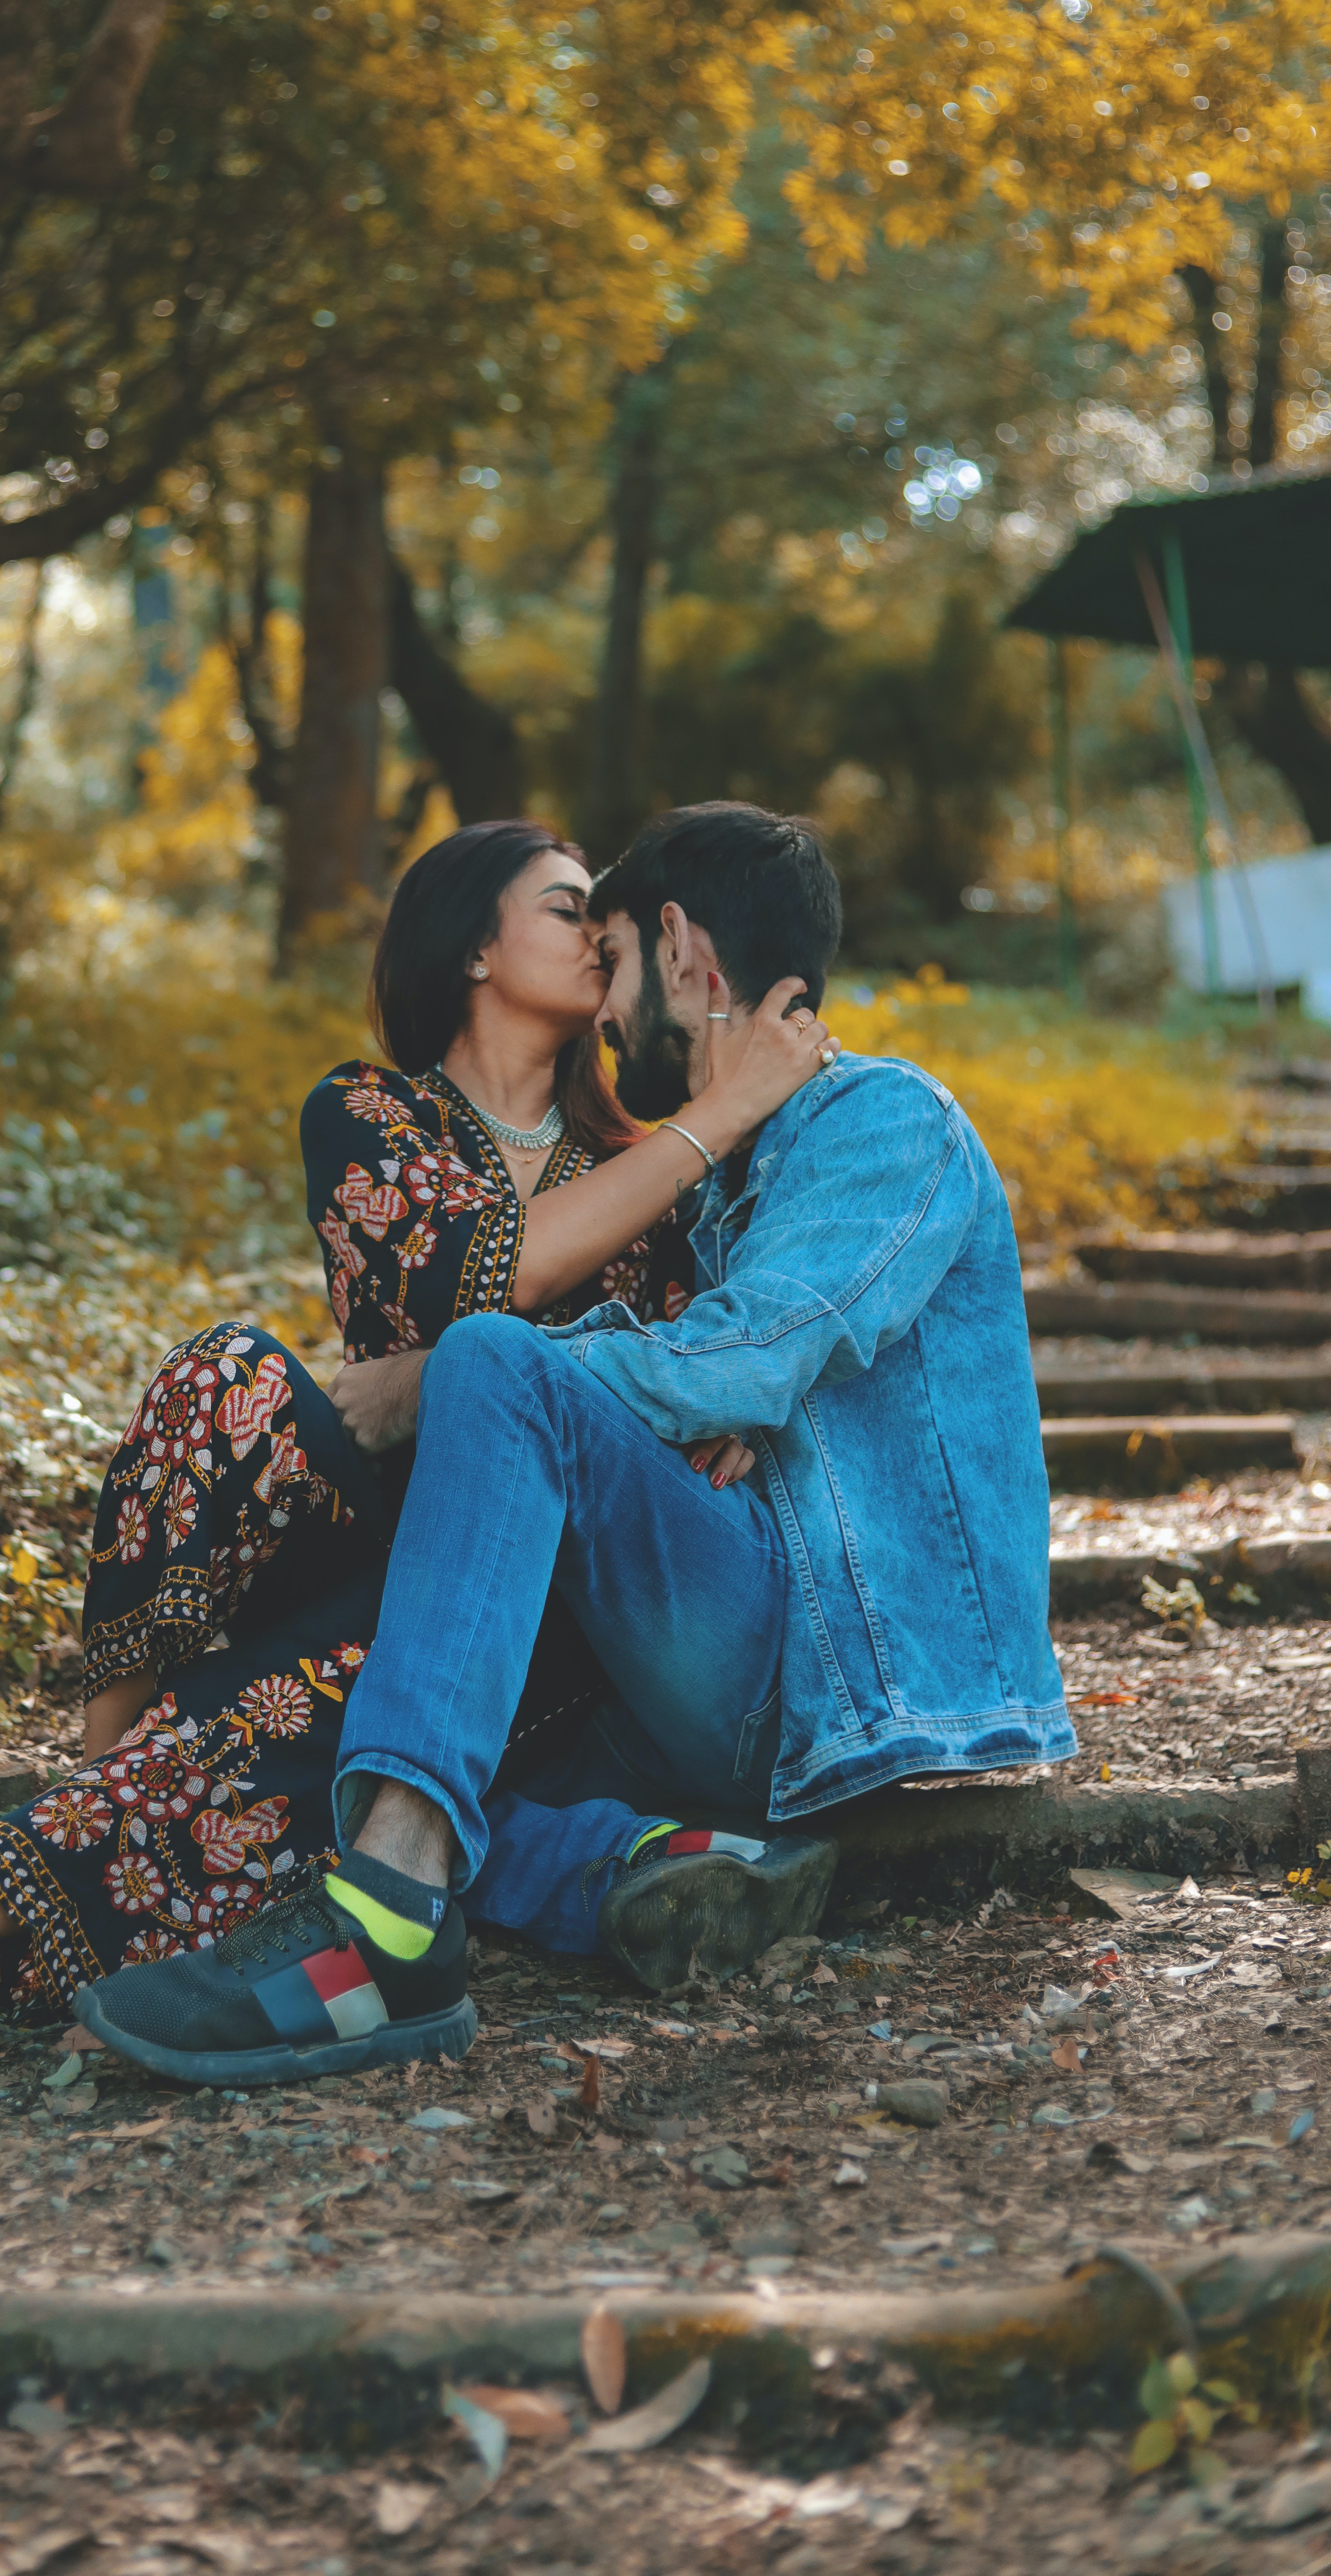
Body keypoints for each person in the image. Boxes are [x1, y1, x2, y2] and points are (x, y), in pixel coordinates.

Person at [0, 818, 836, 2056]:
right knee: (225, 1372)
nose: (597, 930)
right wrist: (713, 1119)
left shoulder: (648, 1165)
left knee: (308, 1696)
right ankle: (105, 1772)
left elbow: (678, 1391)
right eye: (564, 907)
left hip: (512, 1610)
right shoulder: (373, 1112)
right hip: (355, 1532)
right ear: (472, 949)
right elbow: (465, 1280)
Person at [74, 801, 1078, 2089]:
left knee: (500, 1358)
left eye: (613, 957)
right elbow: (675, 1387)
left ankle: (386, 1918)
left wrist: (455, 1383)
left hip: (818, 1675)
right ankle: (609, 1867)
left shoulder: (882, 1123)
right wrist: (650, 1413)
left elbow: (744, 1357)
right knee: (369, 1726)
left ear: (679, 944)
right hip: (680, 1681)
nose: (605, 1011)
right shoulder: (688, 1183)